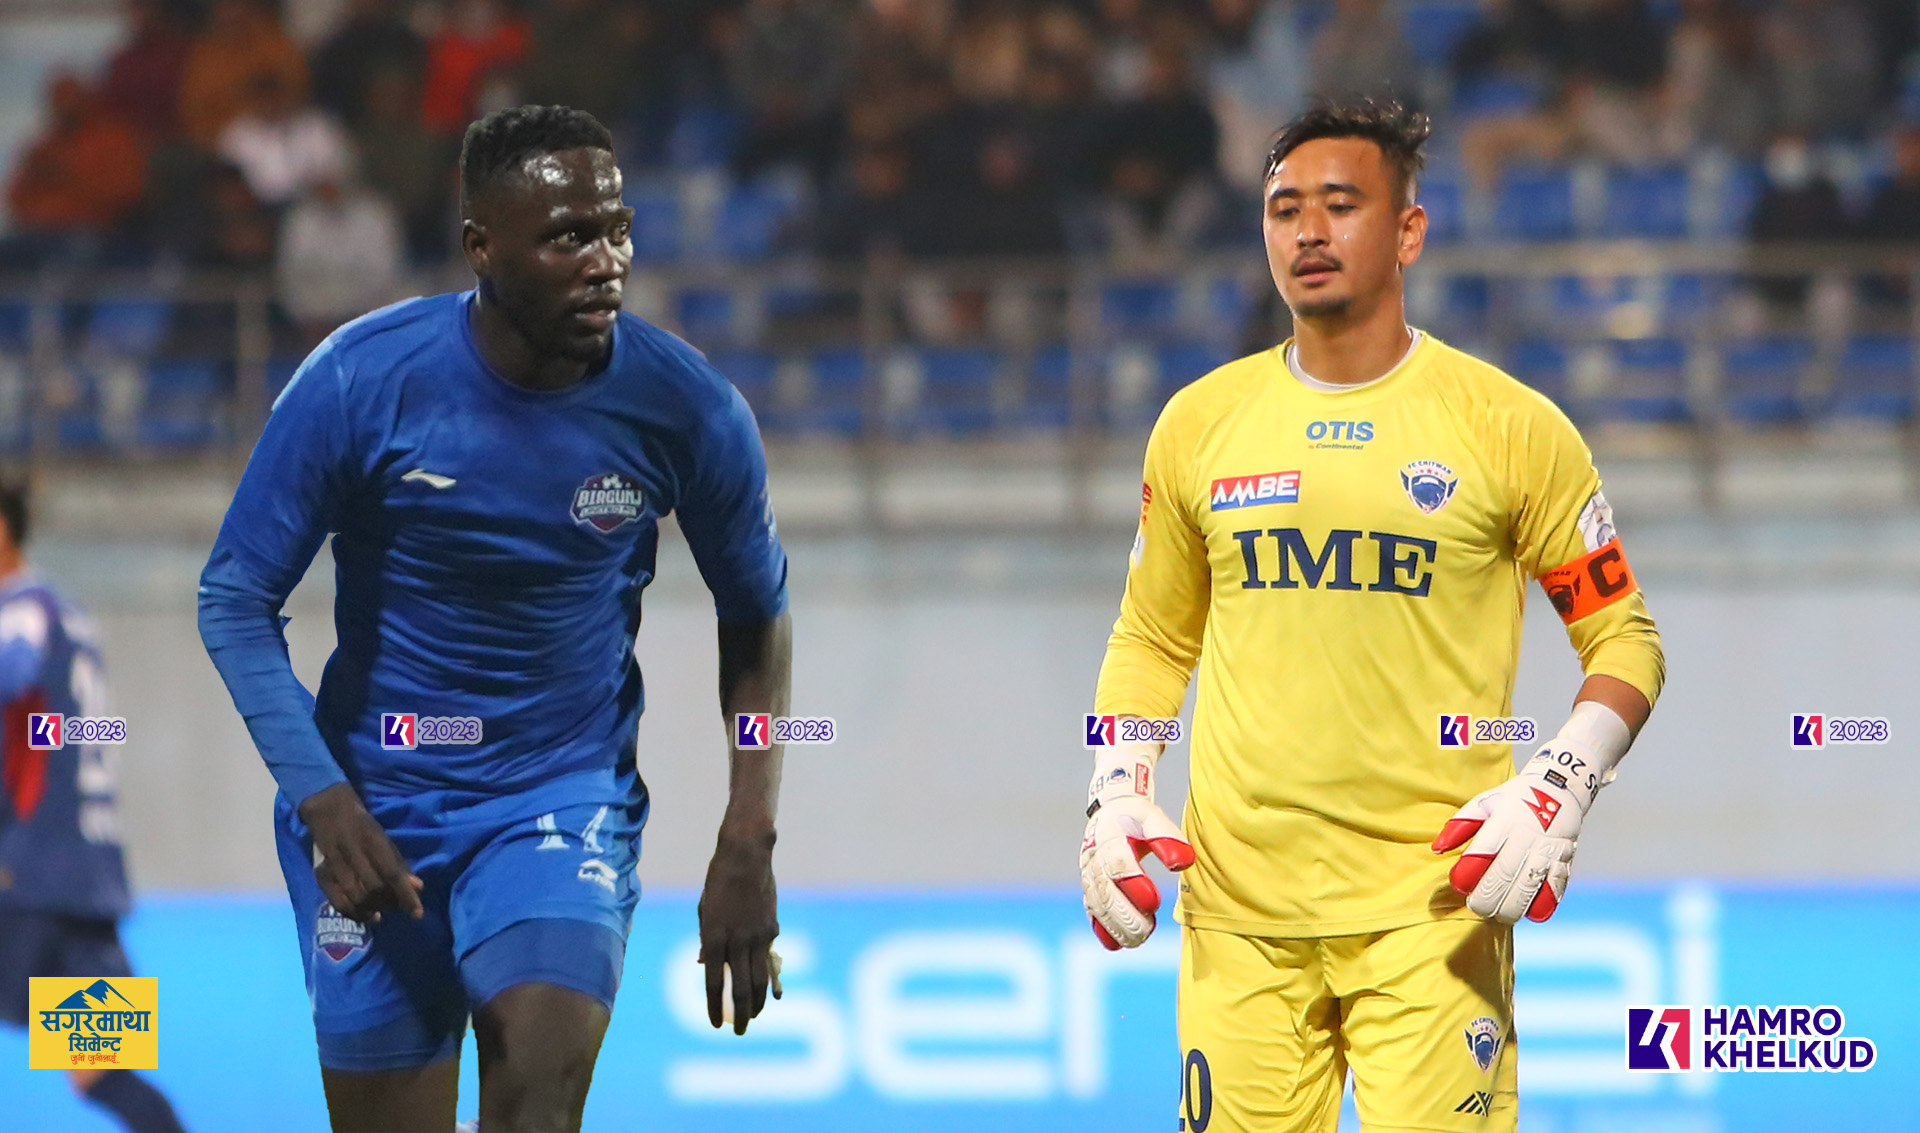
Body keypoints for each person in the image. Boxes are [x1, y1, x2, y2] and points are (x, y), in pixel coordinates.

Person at [198, 105, 790, 1132]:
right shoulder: (359, 380)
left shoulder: (687, 407)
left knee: (538, 1079)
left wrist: (749, 833)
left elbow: (757, 613)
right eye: (569, 237)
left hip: (557, 798)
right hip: (373, 810)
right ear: (481, 247)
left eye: (616, 230)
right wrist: (322, 797)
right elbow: (235, 598)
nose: (606, 262)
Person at [1079, 100, 1664, 1131]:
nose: (1308, 231)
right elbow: (1154, 637)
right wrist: (1115, 787)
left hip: (1434, 910)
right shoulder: (1197, 425)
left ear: (1408, 231)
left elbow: (1626, 638)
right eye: (1284, 209)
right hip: (1240, 915)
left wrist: (1560, 785)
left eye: (1340, 205)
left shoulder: (1511, 427)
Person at [0, 480, 190, 1133]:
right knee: (101, 1070)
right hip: (83, 878)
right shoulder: (67, 612)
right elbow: (81, 730)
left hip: (24, 875)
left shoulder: (20, 611)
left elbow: (13, 674)